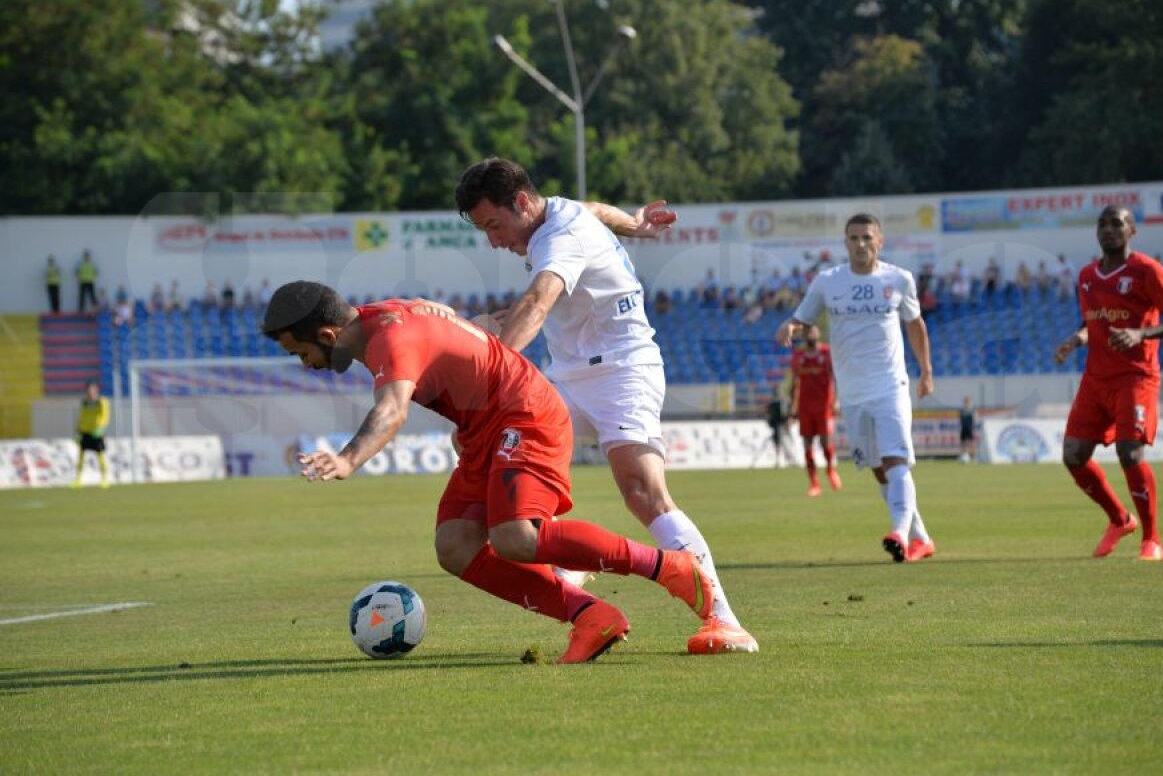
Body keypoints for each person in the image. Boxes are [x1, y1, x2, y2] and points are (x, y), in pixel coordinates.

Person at [260, 281, 715, 664]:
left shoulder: (388, 340)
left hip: (523, 414)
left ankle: (669, 566)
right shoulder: (381, 315)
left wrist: (347, 458)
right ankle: (591, 616)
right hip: (485, 428)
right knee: (455, 545)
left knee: (517, 536)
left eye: (302, 352)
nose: (307, 364)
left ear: (325, 332)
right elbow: (446, 328)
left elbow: (393, 410)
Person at [455, 157, 757, 654]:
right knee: (500, 462)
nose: (493, 240)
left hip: (623, 369)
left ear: (523, 203)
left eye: (494, 224)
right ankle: (575, 562)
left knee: (642, 491)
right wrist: (635, 223)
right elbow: (596, 209)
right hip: (567, 378)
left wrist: (493, 380)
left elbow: (537, 304)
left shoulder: (557, 239)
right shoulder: (560, 214)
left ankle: (725, 620)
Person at [775, 213, 936, 563]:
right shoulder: (828, 282)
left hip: (891, 385)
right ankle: (920, 536)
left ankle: (899, 533)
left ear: (880, 240)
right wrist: (790, 327)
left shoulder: (899, 278)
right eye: (854, 238)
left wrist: (926, 370)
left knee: (896, 459)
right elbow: (802, 319)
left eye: (867, 237)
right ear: (845, 242)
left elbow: (915, 325)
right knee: (879, 468)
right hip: (852, 392)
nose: (861, 244)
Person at [1052, 206, 1163, 561]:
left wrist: (1141, 333)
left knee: (1129, 453)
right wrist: (1077, 339)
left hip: (1136, 377)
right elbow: (1094, 323)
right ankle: (1119, 519)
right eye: (1102, 224)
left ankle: (1153, 539)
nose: (1109, 230)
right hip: (1096, 379)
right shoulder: (1086, 276)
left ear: (1132, 231)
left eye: (1117, 224)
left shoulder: (1147, 270)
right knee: (1073, 455)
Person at [789, 325, 841, 497]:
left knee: (826, 443)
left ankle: (830, 470)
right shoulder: (798, 356)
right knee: (807, 445)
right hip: (805, 407)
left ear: (819, 334)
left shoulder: (827, 353)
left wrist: (837, 400)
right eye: (808, 331)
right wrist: (792, 408)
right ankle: (814, 484)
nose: (811, 333)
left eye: (814, 330)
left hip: (824, 406)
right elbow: (794, 382)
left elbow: (836, 377)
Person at [73, 382, 110, 488]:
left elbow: (105, 416)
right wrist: (77, 431)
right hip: (85, 432)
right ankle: (78, 480)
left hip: (96, 432)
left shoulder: (101, 402)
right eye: (88, 391)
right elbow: (81, 417)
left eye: (92, 391)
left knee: (100, 455)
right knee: (80, 456)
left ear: (96, 391)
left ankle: (104, 479)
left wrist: (100, 427)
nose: (90, 393)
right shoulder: (84, 403)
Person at [958, 397, 977, 463]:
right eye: (965, 402)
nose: (966, 404)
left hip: (970, 429)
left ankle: (974, 457)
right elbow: (960, 420)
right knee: (963, 443)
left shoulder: (972, 410)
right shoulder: (962, 411)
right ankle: (962, 456)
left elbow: (974, 419)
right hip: (963, 429)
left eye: (968, 402)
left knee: (972, 443)